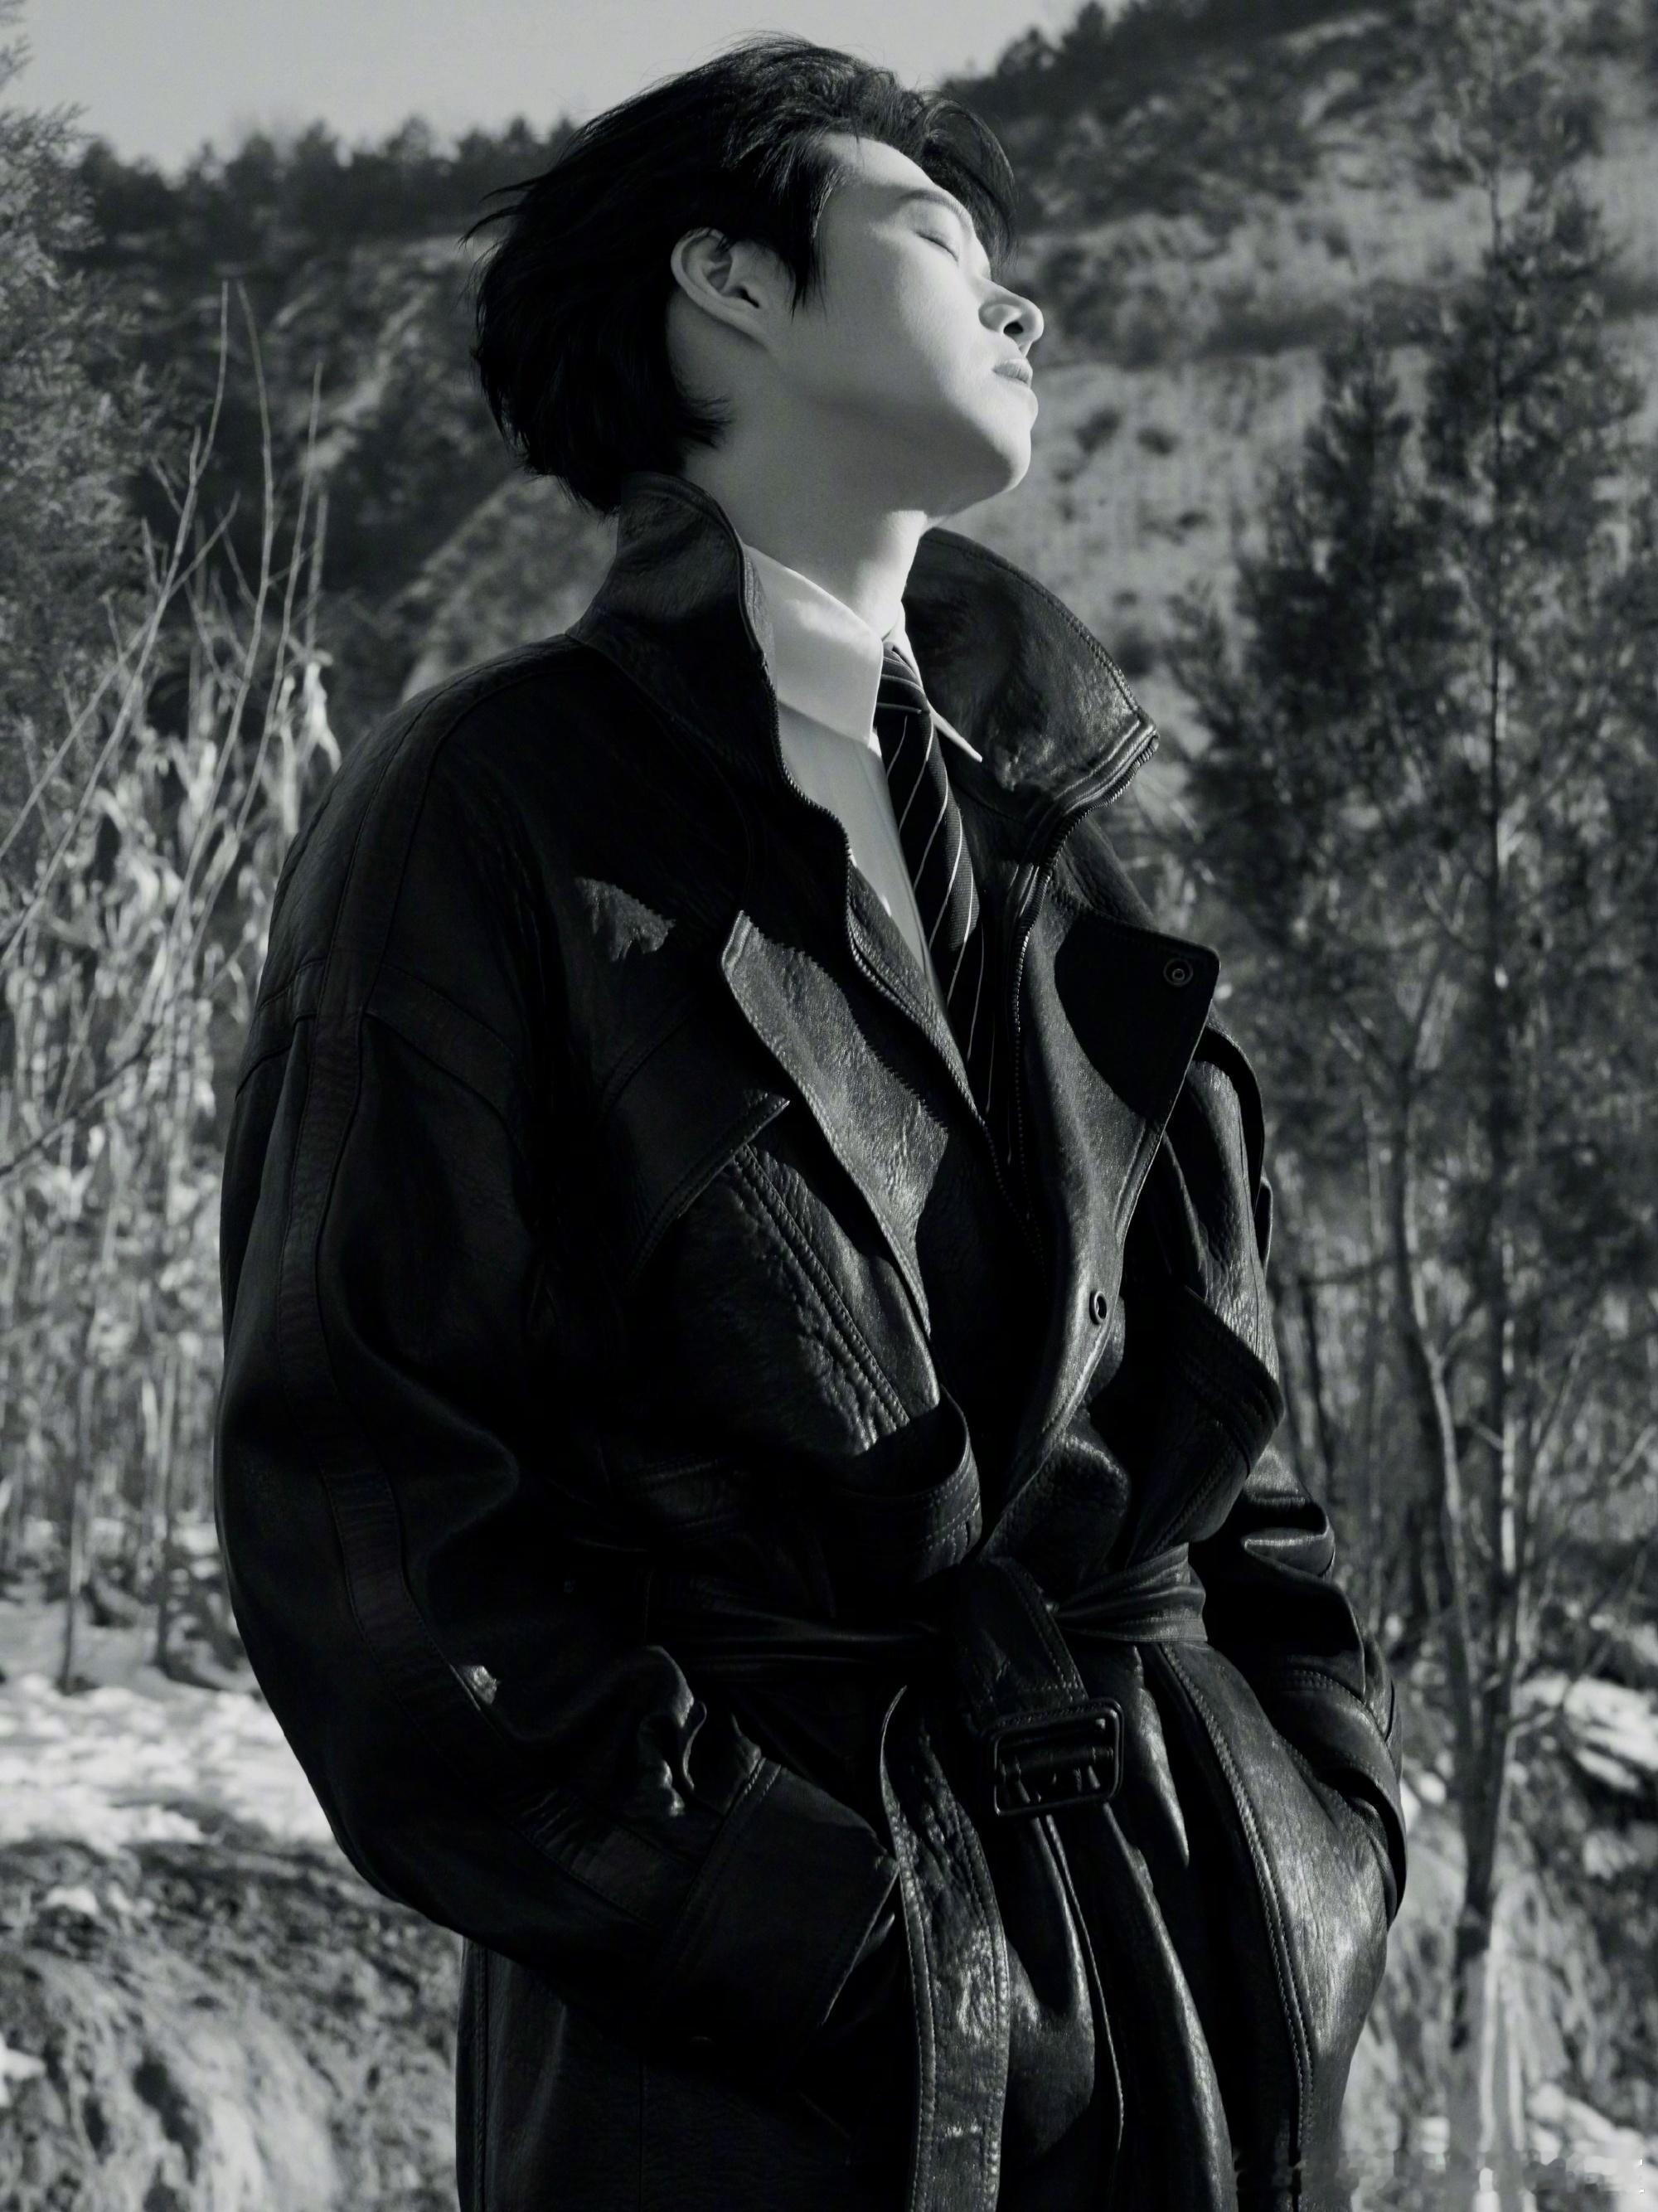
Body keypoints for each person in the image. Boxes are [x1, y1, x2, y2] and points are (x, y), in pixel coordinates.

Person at [214, 32, 1406, 2211]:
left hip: (1205, 1964)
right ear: (734, 284)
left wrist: (1326, 1824)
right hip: (756, 2053)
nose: (1022, 297)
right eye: (939, 234)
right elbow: (368, 1517)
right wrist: (834, 1940)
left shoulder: (1064, 831)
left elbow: (1238, 1447)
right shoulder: (488, 806)